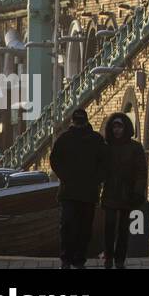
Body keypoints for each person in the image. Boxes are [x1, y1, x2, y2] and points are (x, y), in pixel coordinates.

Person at [49, 108, 106, 269]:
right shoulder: (65, 139)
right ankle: (66, 259)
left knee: (85, 228)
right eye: (77, 121)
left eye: (81, 121)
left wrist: (96, 179)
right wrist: (65, 176)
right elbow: (54, 159)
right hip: (69, 192)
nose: (79, 124)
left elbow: (104, 163)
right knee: (68, 226)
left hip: (88, 192)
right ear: (73, 121)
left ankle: (79, 259)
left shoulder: (95, 140)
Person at [100, 112, 147, 269]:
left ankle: (119, 257)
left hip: (127, 192)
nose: (117, 130)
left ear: (125, 128)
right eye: (114, 127)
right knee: (109, 225)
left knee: (123, 227)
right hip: (110, 191)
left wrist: (138, 192)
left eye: (119, 127)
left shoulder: (135, 148)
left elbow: (141, 172)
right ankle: (108, 255)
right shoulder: (107, 148)